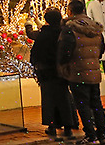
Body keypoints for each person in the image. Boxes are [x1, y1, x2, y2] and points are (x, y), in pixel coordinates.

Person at [58, 0, 105, 145]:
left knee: (83, 105)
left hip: (77, 72)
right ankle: (102, 135)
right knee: (96, 103)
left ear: (70, 11)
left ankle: (90, 135)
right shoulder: (95, 28)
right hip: (94, 71)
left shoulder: (69, 29)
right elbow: (101, 49)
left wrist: (64, 66)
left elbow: (65, 52)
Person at [30, 8, 77, 138]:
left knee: (48, 99)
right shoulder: (64, 33)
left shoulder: (43, 35)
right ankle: (68, 127)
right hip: (62, 71)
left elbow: (35, 54)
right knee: (64, 98)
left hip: (46, 72)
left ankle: (52, 126)